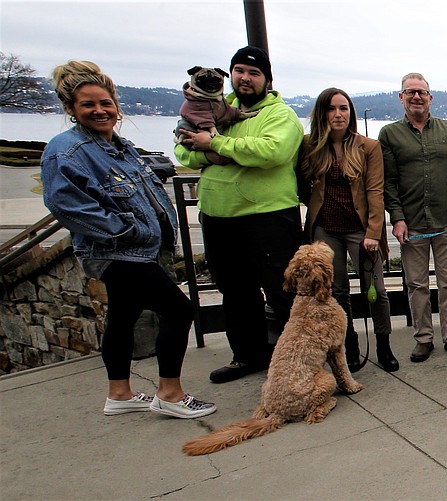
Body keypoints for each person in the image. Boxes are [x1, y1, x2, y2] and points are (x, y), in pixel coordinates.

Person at [42, 60, 215, 418]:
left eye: (105, 103)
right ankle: (170, 393)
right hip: (121, 253)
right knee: (179, 310)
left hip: (139, 251)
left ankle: (119, 394)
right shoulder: (67, 150)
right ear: (71, 109)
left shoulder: (120, 147)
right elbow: (65, 204)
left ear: (115, 106)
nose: (99, 111)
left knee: (123, 315)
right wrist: (125, 230)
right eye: (88, 104)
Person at [175, 46, 304, 384]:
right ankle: (248, 355)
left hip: (269, 216)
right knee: (234, 291)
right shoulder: (211, 110)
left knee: (283, 290)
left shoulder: (280, 114)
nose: (245, 78)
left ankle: (301, 355)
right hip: (218, 215)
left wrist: (215, 146)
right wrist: (213, 151)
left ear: (267, 79)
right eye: (239, 71)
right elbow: (182, 149)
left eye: (254, 73)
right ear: (229, 75)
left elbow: (272, 152)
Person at [296, 87, 397, 374]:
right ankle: (348, 345)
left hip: (360, 230)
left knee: (375, 289)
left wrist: (374, 233)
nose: (338, 114)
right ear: (321, 113)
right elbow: (303, 186)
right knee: (336, 292)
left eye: (343, 108)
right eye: (331, 109)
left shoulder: (368, 147)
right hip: (325, 231)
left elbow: (375, 192)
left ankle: (383, 345)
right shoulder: (309, 146)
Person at [380, 72, 447, 363]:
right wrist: (396, 217)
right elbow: (389, 182)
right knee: (417, 286)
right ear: (401, 97)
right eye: (410, 92)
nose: (416, 97)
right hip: (411, 225)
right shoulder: (389, 134)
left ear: (430, 97)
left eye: (421, 92)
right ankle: (423, 338)